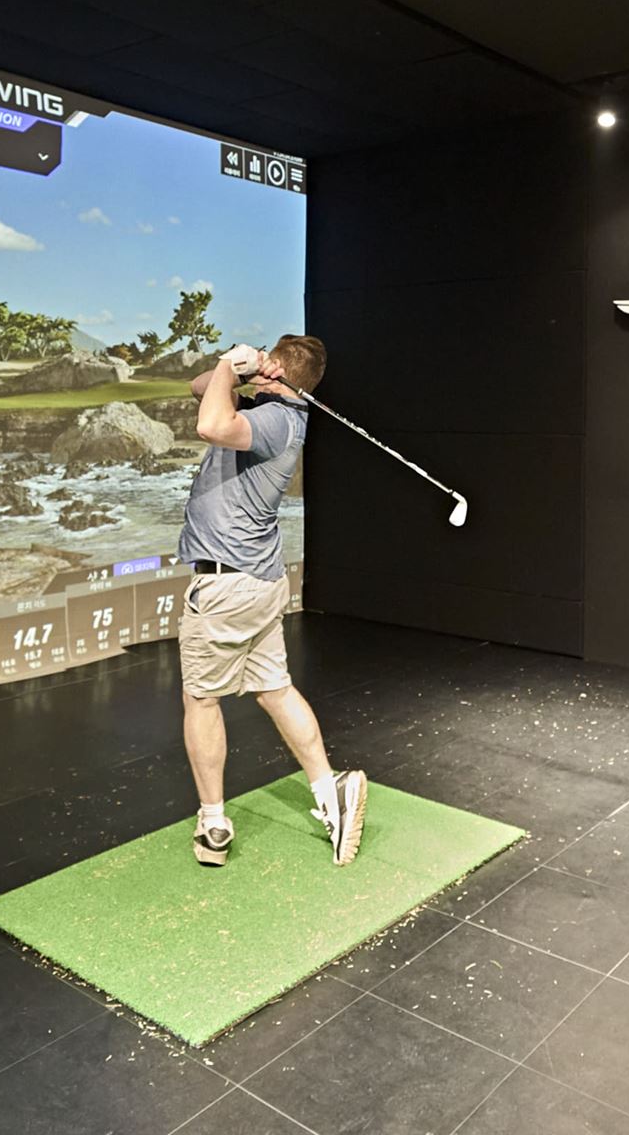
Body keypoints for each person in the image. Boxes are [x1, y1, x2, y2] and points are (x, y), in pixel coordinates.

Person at [178, 334, 367, 867]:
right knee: (275, 689)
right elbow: (198, 388)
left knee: (201, 699)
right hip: (258, 581)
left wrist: (229, 362)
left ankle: (213, 822)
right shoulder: (278, 412)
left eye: (268, 356)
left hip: (227, 586)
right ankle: (330, 793)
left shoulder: (274, 422)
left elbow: (210, 425)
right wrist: (238, 370)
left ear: (279, 371)